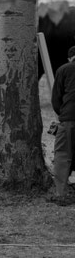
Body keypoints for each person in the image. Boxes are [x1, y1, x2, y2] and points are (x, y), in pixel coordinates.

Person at [51, 46, 75, 197]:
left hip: (69, 118)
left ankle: (61, 194)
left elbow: (56, 99)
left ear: (70, 59)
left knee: (62, 154)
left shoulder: (64, 70)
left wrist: (64, 114)